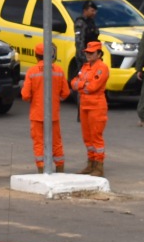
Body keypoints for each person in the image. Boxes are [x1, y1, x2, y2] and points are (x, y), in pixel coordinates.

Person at [21, 44, 69, 172]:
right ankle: (60, 169)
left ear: (36, 56)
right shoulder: (58, 70)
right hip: (53, 114)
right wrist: (55, 100)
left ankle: (42, 170)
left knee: (39, 143)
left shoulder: (32, 71)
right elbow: (65, 93)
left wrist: (34, 99)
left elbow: (25, 95)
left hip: (37, 114)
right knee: (56, 143)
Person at [74, 41, 110, 175]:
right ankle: (91, 163)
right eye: (87, 52)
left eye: (91, 52)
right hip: (84, 105)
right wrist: (84, 85)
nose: (88, 55)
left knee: (96, 136)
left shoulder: (102, 68)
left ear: (99, 54)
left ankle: (99, 167)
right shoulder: (85, 67)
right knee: (87, 137)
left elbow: (93, 87)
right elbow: (73, 83)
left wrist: (81, 85)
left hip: (97, 106)